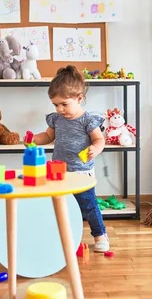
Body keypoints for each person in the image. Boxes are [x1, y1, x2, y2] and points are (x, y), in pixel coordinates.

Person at [29, 65, 109, 252]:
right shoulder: (57, 119)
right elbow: (48, 137)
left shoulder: (88, 120)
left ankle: (100, 235)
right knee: (59, 205)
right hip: (58, 172)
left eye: (64, 104)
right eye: (56, 105)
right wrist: (32, 139)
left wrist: (95, 148)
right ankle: (62, 236)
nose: (60, 109)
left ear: (79, 98)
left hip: (82, 172)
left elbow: (99, 139)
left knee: (88, 206)